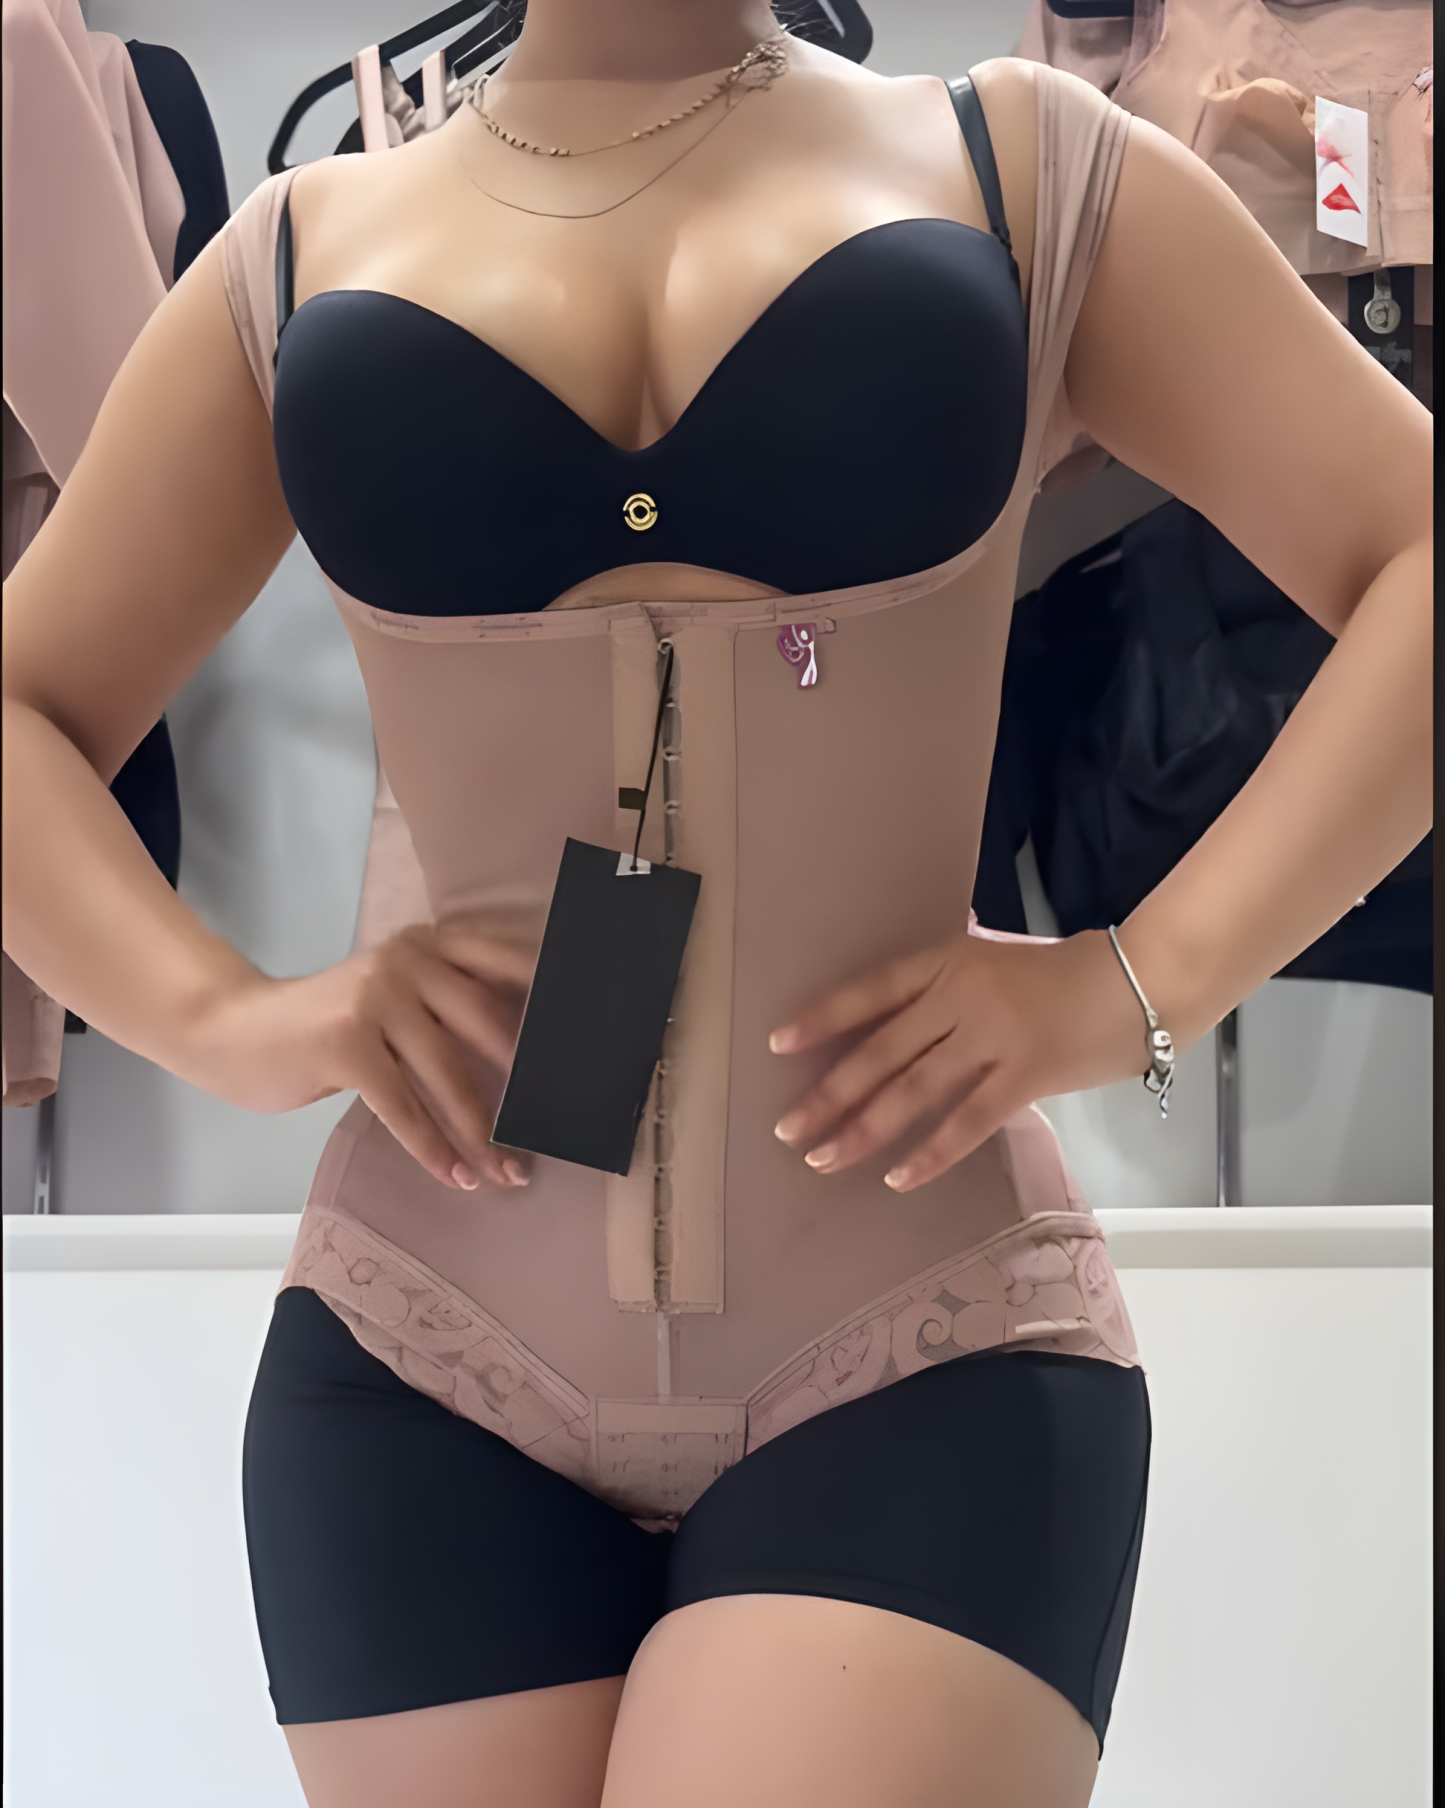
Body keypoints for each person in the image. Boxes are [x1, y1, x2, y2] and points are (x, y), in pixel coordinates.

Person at [2, 2, 1430, 1804]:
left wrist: (1142, 980)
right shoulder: (296, 254)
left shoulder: (1026, 176)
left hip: (918, 1345)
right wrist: (228, 1019)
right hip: (421, 1362)